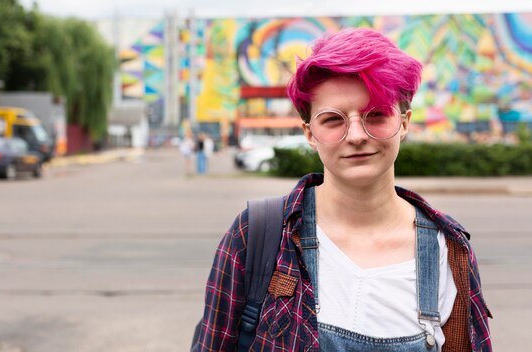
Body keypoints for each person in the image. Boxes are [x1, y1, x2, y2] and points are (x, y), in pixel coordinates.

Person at [192, 28, 492, 352]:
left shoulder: (446, 251)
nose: (356, 135)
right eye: (333, 120)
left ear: (403, 123)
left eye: (375, 114)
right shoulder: (259, 233)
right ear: (309, 133)